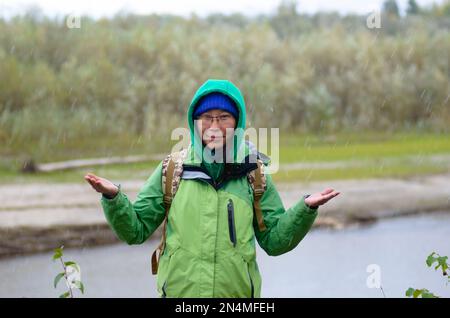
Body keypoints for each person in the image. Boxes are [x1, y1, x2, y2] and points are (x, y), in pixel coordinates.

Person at [84, 79, 340, 298]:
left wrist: (304, 209)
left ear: (237, 122)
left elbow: (274, 241)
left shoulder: (255, 174)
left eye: (223, 117)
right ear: (194, 122)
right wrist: (113, 197)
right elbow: (136, 230)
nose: (214, 126)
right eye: (207, 117)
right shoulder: (171, 170)